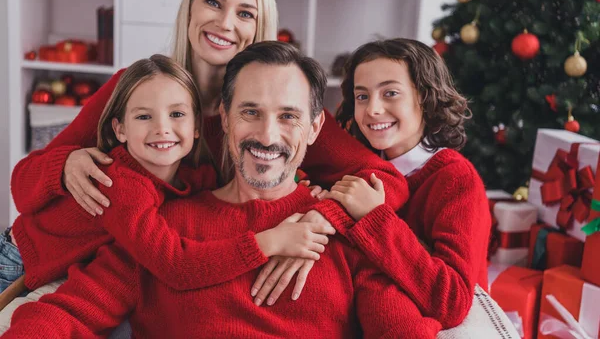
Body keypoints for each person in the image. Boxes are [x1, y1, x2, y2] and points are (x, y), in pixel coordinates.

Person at [9, 0, 409, 298]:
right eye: (213, 3)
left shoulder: (273, 116)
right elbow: (23, 185)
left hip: (125, 271)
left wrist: (326, 217)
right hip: (25, 258)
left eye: (245, 13)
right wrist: (63, 166)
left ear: (259, 26)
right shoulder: (135, 85)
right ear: (191, 8)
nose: (224, 23)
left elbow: (388, 181)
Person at [3, 41, 441, 339]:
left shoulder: (345, 229)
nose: (267, 135)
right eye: (251, 111)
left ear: (314, 128)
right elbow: (64, 313)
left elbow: (401, 328)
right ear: (224, 118)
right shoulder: (163, 225)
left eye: (288, 116)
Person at [2, 54, 334, 295]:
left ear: (197, 128)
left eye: (176, 114)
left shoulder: (196, 178)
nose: (162, 129)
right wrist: (268, 242)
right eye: (144, 117)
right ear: (120, 129)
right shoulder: (122, 185)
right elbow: (175, 265)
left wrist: (303, 188)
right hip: (19, 261)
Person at [324, 38, 490, 329]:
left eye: (390, 93)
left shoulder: (456, 180)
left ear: (425, 98)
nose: (373, 109)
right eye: (362, 96)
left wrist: (375, 219)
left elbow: (452, 301)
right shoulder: (359, 164)